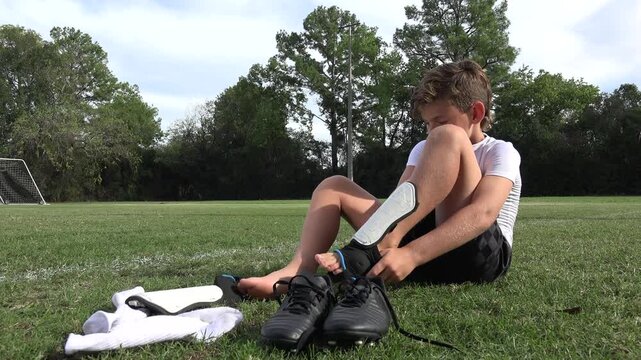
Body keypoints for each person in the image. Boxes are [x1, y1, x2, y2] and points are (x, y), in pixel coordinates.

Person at [238, 59, 521, 299]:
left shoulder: (499, 151)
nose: (431, 130)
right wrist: (401, 241)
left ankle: (378, 246)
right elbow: (402, 203)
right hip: (423, 251)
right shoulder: (424, 147)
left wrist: (411, 253)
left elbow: (483, 214)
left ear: (476, 112)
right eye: (427, 123)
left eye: (440, 120)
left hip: (476, 256)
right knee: (333, 186)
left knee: (450, 138)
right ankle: (297, 272)